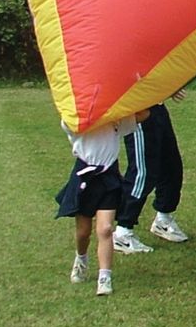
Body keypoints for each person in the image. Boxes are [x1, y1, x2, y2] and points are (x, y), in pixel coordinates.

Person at [55, 110, 149, 296]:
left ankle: (104, 277)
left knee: (105, 229)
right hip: (85, 179)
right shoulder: (77, 121)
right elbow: (68, 119)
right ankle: (81, 259)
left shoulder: (116, 120)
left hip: (109, 179)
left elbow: (144, 114)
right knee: (83, 232)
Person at [113, 90, 188, 254]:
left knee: (171, 166)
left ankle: (163, 218)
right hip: (138, 110)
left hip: (157, 106)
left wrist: (171, 87)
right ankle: (122, 232)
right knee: (142, 172)